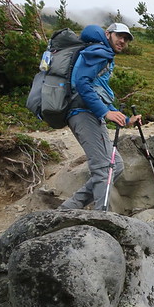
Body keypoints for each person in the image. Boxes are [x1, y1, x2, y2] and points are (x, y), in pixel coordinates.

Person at [59, 23, 141, 211]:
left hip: (90, 113)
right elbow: (82, 83)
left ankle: (68, 209)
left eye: (126, 39)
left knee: (116, 165)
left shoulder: (102, 53)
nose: (123, 41)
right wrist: (105, 112)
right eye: (119, 36)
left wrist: (126, 120)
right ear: (107, 34)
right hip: (82, 113)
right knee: (104, 167)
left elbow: (98, 91)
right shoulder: (99, 51)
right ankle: (101, 218)